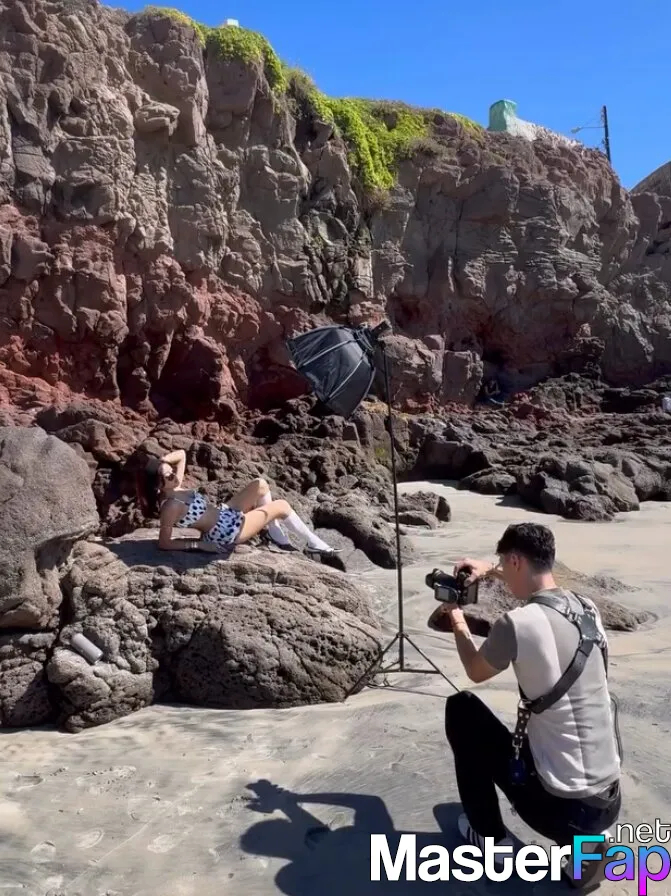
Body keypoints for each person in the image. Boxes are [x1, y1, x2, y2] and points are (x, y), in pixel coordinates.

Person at [440, 522, 621, 885]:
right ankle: (585, 843)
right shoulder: (587, 608)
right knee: (559, 731)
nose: (504, 577)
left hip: (558, 806)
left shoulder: (516, 623)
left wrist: (456, 618)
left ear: (516, 561)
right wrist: (487, 568)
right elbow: (537, 579)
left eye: (505, 565)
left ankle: (492, 841)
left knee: (463, 709)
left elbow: (475, 671)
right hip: (608, 799)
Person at [136, 449, 341, 562]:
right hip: (225, 532)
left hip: (224, 513)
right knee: (282, 506)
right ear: (158, 487)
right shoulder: (170, 506)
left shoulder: (175, 486)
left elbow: (181, 454)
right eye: (167, 476)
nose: (173, 475)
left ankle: (274, 534)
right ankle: (314, 545)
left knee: (260, 484)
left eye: (172, 471)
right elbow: (164, 543)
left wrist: (162, 462)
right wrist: (199, 545)